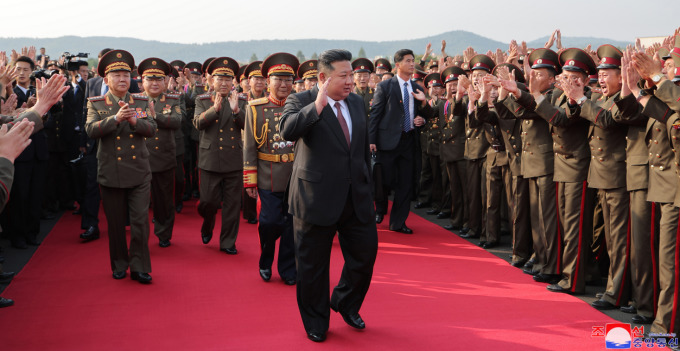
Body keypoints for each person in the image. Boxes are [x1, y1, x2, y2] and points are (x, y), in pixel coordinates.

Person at [280, 49, 378, 342]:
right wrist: (318, 105)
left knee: (364, 256)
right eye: (343, 76)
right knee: (312, 267)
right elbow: (287, 130)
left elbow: (360, 150)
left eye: (352, 74)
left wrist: (368, 188)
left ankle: (345, 302)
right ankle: (316, 320)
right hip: (314, 198)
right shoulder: (301, 100)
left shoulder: (358, 102)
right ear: (323, 78)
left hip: (355, 196)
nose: (351, 81)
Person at [85, 49, 157, 284]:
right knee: (116, 224)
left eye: (126, 75)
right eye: (116, 75)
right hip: (111, 171)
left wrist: (135, 122)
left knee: (139, 222)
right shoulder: (96, 104)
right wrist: (114, 120)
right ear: (106, 80)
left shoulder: (142, 101)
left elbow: (152, 129)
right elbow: (91, 131)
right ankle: (119, 263)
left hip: (139, 171)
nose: (123, 79)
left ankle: (140, 266)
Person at [243, 52, 299, 285]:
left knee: (292, 226)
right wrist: (250, 180)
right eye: (278, 79)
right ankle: (266, 259)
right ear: (268, 81)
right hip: (268, 176)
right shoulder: (256, 108)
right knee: (269, 222)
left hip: (296, 177)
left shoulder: (300, 105)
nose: (284, 84)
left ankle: (287, 269)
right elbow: (249, 146)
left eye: (288, 80)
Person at [369, 49, 433, 234]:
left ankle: (398, 222)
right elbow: (376, 114)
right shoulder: (386, 86)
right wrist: (372, 139)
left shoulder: (418, 88)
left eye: (413, 60)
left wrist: (423, 109)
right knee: (383, 181)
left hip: (409, 140)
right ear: (398, 65)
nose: (412, 64)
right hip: (387, 141)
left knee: (405, 184)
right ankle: (379, 210)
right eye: (408, 61)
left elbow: (428, 115)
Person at [193, 57, 244, 255]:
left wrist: (236, 111)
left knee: (232, 205)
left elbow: (248, 125)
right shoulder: (202, 100)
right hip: (210, 160)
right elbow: (197, 123)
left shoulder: (241, 100)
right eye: (219, 79)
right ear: (211, 81)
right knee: (208, 202)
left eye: (228, 79)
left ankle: (228, 242)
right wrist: (214, 110)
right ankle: (207, 223)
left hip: (233, 159)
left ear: (233, 82)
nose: (223, 83)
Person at [138, 58, 182, 247]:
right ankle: (140, 237)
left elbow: (176, 122)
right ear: (143, 82)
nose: (154, 83)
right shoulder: (134, 99)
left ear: (165, 82)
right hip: (138, 158)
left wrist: (155, 115)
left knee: (164, 200)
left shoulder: (172, 100)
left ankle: (164, 233)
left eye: (159, 79)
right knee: (138, 203)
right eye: (150, 79)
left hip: (163, 157)